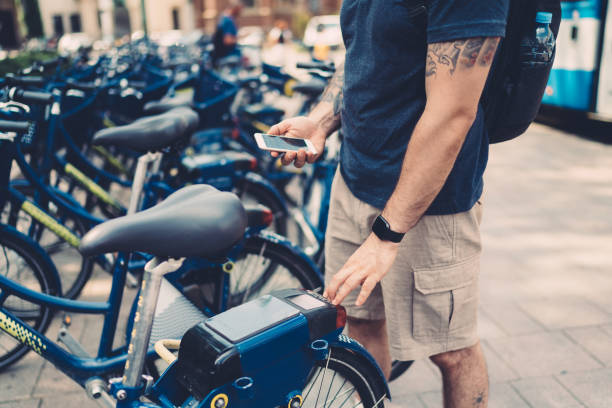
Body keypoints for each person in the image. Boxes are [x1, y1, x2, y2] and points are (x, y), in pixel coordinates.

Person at [268, 1, 509, 407]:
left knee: (451, 350)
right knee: (361, 325)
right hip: (354, 180)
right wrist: (321, 120)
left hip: (428, 207)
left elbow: (454, 112)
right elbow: (363, 53)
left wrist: (387, 234)